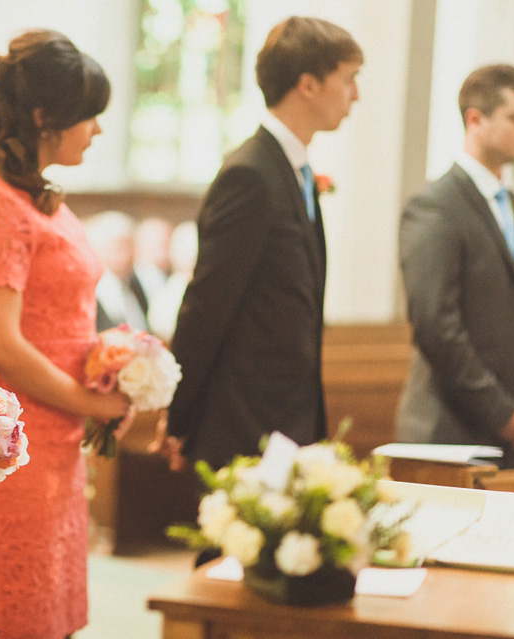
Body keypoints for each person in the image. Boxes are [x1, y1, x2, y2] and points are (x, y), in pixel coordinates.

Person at [0, 29, 130, 639]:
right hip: (7, 442)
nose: (97, 130)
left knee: (48, 614)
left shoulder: (36, 198)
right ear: (45, 114)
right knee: (9, 614)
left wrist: (108, 365)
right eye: (89, 115)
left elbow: (59, 317)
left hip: (55, 437)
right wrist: (88, 400)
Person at [159, 16, 362, 470]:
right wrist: (178, 415)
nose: (356, 95)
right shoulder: (250, 175)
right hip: (245, 420)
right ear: (307, 84)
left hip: (288, 418)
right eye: (348, 80)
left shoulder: (294, 172)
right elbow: (208, 303)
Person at [397, 64, 514, 469]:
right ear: (475, 120)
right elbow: (437, 326)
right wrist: (501, 414)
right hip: (450, 434)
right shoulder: (436, 207)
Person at [84, 210, 150, 331]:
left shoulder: (135, 284)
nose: (127, 254)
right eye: (119, 247)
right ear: (98, 248)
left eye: (131, 246)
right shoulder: (89, 287)